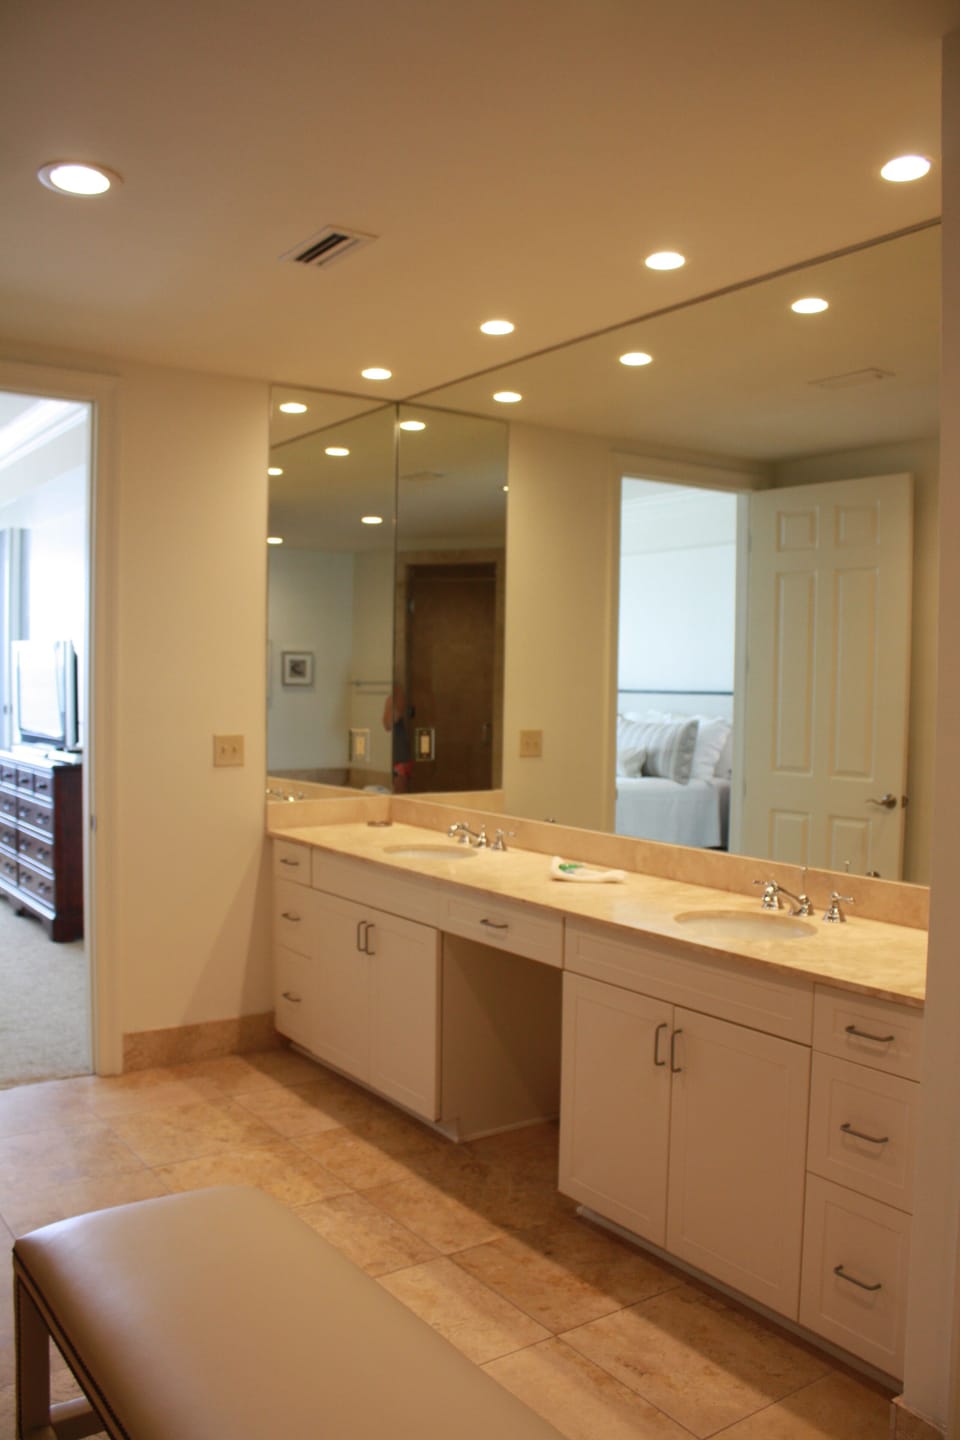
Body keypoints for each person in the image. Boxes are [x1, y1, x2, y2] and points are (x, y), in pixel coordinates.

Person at [382, 682, 414, 791]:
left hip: (403, 756)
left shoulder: (400, 699)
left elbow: (389, 723)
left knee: (401, 796)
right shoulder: (397, 699)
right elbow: (387, 725)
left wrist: (390, 703)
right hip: (402, 755)